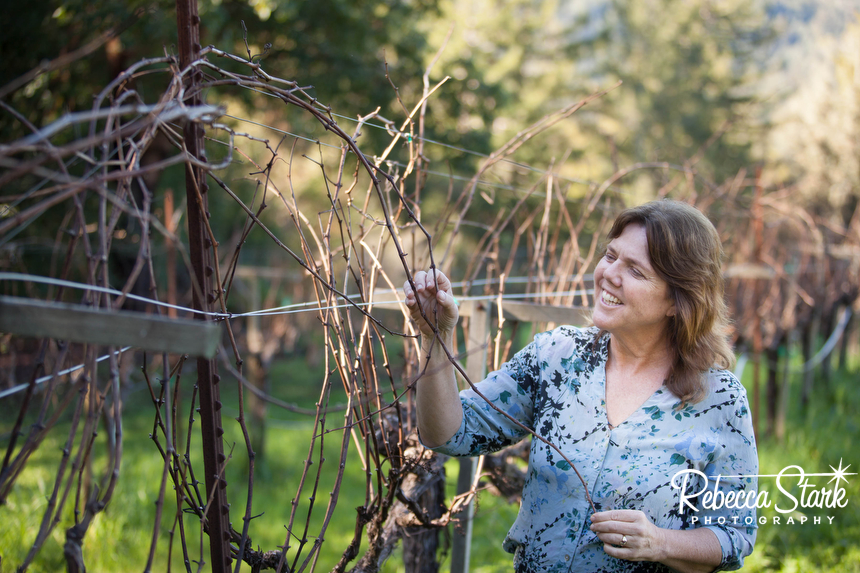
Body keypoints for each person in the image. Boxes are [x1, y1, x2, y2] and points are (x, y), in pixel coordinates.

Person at [403, 200, 758, 573]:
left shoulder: (719, 400)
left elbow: (733, 536)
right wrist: (435, 337)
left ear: (677, 300)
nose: (609, 274)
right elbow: (449, 433)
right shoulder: (555, 357)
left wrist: (660, 543)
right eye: (610, 255)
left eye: (636, 271)